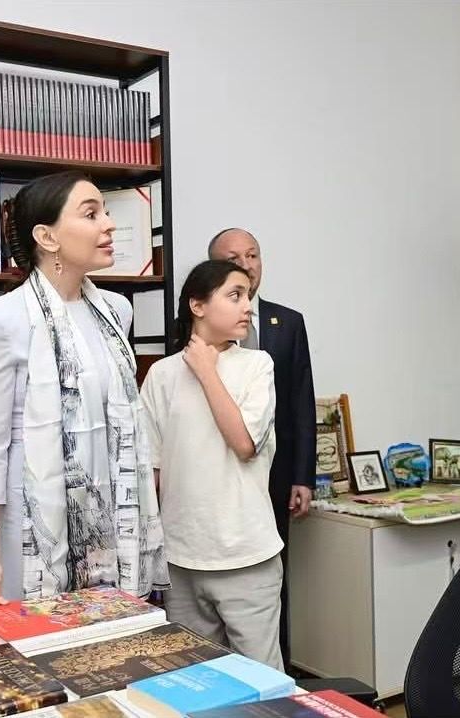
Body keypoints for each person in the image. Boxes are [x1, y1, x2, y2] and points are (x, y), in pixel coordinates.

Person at [0, 171, 168, 623]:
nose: (109, 224)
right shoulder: (0, 320)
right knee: (44, 646)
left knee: (113, 648)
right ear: (47, 237)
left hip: (115, 518)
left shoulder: (116, 311)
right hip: (36, 527)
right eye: (91, 214)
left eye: (105, 211)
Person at [140, 259, 284, 670]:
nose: (247, 306)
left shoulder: (257, 365)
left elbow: (244, 444)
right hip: (182, 558)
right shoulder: (162, 375)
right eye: (234, 295)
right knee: (193, 678)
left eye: (248, 296)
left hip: (245, 555)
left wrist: (206, 371)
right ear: (197, 305)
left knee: (260, 680)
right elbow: (150, 471)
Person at [208, 227, 315, 665]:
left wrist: (303, 477)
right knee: (224, 581)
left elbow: (301, 403)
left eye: (252, 256)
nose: (246, 265)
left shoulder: (286, 322)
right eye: (233, 258)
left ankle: (278, 669)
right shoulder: (202, 325)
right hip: (219, 475)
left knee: (273, 576)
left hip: (275, 475)